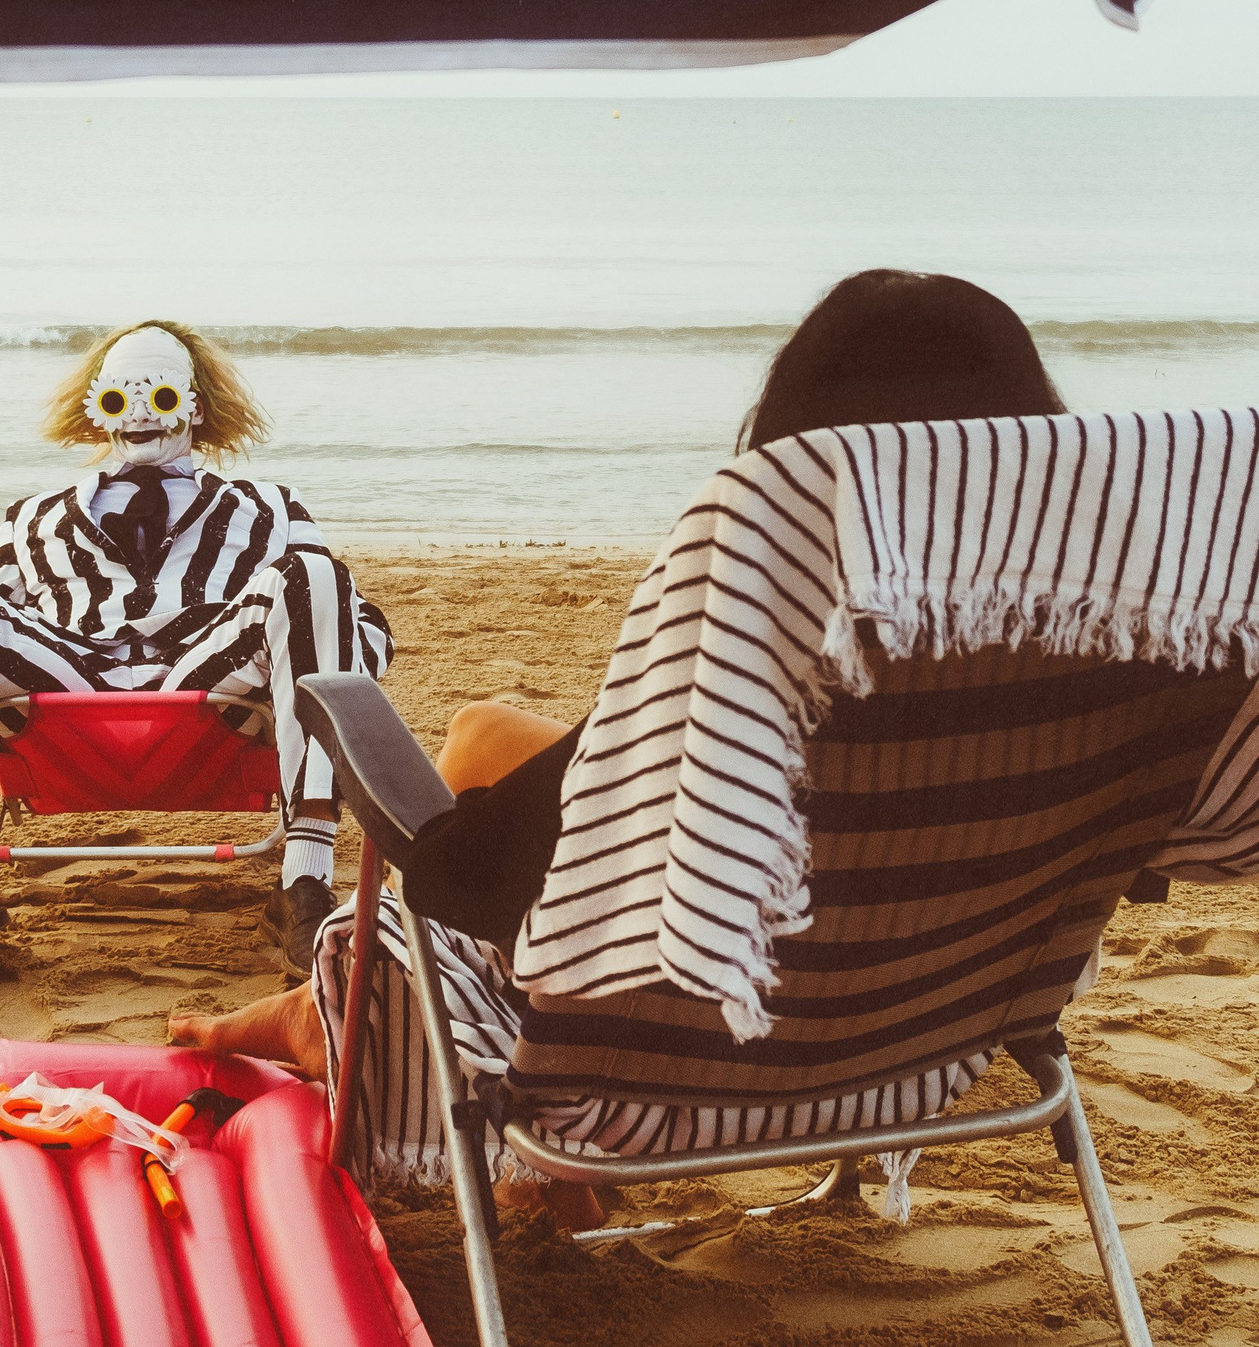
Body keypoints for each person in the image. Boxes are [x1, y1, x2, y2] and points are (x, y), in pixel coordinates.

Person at [169, 269, 1071, 1219]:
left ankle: (337, 1023)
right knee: (485, 732)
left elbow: (468, 874)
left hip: (685, 1063)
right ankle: (318, 1018)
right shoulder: (1089, 658)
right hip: (924, 1040)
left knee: (433, 857)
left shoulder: (768, 620)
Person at [0, 319, 392, 973]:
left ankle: (305, 874)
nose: (141, 414)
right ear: (99, 407)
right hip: (69, 674)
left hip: (211, 676)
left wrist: (321, 646)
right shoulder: (32, 515)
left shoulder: (270, 507)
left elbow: (348, 615)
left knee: (315, 576)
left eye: (162, 395)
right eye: (120, 397)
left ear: (194, 405)